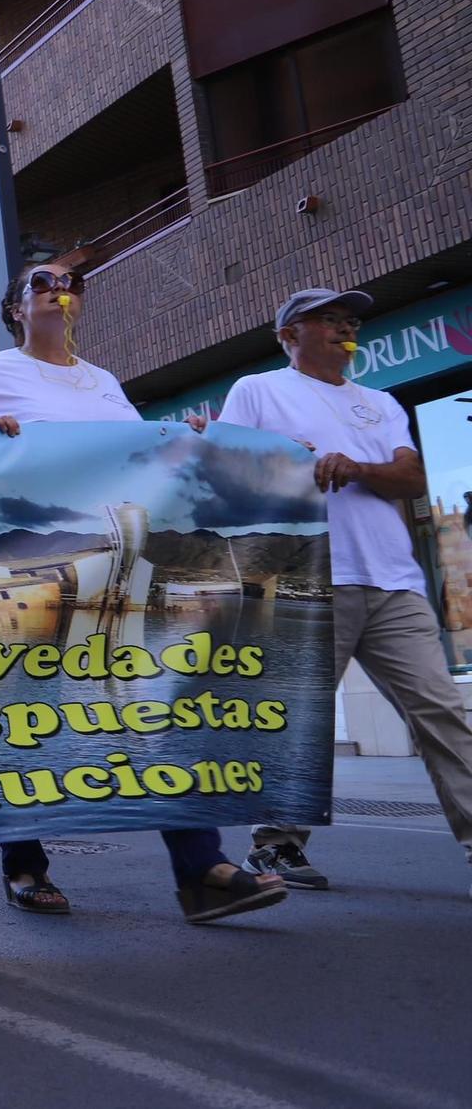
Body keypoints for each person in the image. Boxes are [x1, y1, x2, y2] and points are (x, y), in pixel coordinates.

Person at [0, 260, 287, 925]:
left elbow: (139, 457)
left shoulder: (102, 383)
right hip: (30, 570)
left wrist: (192, 443)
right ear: (17, 309)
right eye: (42, 282)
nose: (58, 289)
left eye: (70, 282)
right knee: (31, 721)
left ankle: (201, 870)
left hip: (115, 571)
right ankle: (24, 864)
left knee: (157, 707)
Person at [212, 288, 472, 895]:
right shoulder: (258, 391)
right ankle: (275, 846)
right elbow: (222, 469)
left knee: (442, 712)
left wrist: (355, 467)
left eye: (350, 321)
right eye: (328, 320)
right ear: (288, 336)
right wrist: (280, 462)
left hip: (394, 582)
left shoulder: (379, 403)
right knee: (299, 721)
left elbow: (411, 478)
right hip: (307, 581)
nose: (343, 329)